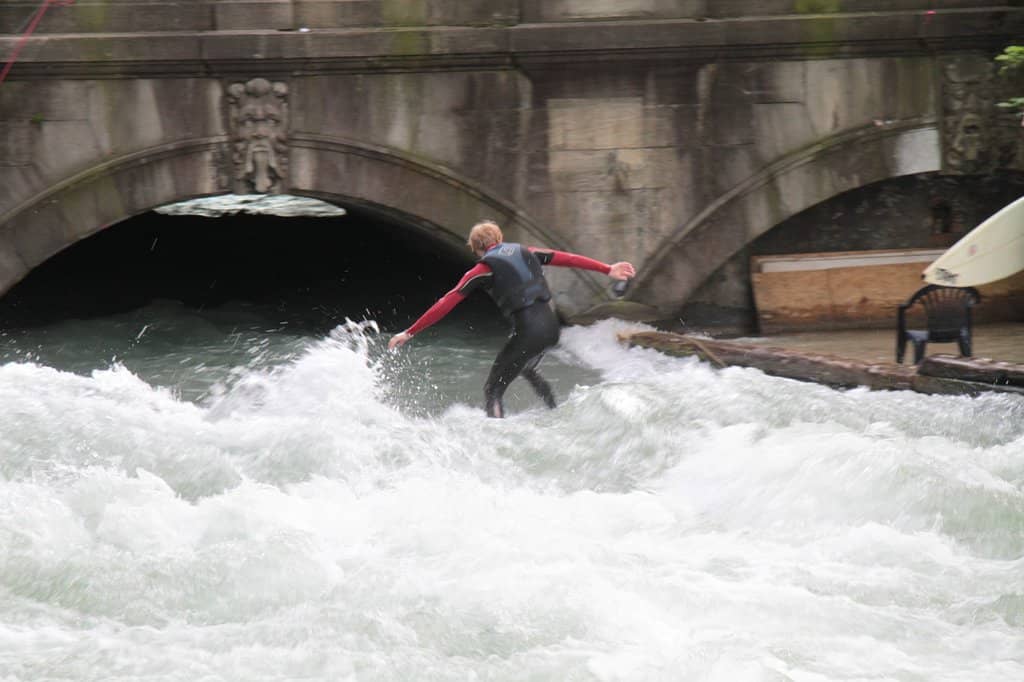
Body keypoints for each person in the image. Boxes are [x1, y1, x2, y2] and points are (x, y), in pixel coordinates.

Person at [388, 220, 636, 418]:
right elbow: (568, 258)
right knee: (525, 367)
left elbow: (446, 302)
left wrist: (409, 332)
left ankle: (496, 440)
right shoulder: (528, 252)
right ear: (499, 239)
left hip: (529, 333)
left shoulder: (482, 270)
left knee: (492, 390)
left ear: (476, 249)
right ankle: (555, 412)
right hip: (551, 329)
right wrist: (608, 269)